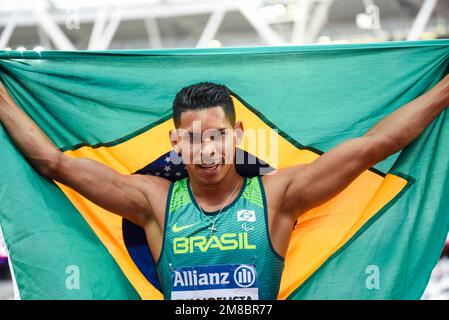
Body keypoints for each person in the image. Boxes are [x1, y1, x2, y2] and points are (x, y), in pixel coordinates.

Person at [0, 77, 449, 300]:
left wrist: (445, 89)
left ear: (237, 135)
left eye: (216, 135)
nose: (207, 149)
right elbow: (52, 163)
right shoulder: (153, 202)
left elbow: (377, 146)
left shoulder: (278, 196)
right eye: (193, 138)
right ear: (176, 142)